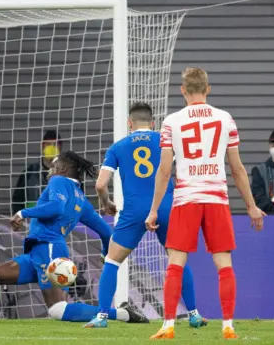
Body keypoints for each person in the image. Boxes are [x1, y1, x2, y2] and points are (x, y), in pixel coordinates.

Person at [145, 68, 265, 339]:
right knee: (224, 262)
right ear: (208, 89)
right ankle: (228, 325)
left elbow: (164, 170)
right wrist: (251, 206)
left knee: (175, 261)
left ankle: (168, 326)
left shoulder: (171, 122)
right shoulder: (225, 119)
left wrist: (153, 210)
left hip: (186, 198)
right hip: (216, 198)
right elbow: (237, 168)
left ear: (182, 90)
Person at [0, 151, 146, 324]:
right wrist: (106, 254)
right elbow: (106, 232)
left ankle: (122, 314)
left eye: (54, 166)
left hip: (49, 248)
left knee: (58, 309)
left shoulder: (58, 181)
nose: (50, 170)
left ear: (63, 169)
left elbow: (56, 207)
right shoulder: (82, 200)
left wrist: (23, 212)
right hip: (38, 252)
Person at [85, 102, 206, 329]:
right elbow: (181, 176)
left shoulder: (118, 147)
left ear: (129, 123)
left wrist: (107, 203)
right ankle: (194, 314)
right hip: (166, 206)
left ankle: (101, 317)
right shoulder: (167, 142)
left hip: (134, 210)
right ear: (153, 123)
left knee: (112, 261)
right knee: (176, 260)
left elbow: (100, 185)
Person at [12, 130, 62, 214]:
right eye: (48, 144)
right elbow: (17, 200)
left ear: (60, 147)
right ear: (43, 146)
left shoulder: (70, 174)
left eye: (55, 144)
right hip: (33, 222)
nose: (52, 148)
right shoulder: (29, 173)